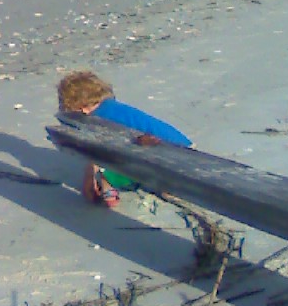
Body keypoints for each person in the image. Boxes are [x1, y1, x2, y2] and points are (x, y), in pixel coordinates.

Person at [56, 70, 192, 208]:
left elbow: (100, 152)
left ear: (79, 107)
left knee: (110, 164)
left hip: (169, 157)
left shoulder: (99, 120)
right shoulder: (111, 107)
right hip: (184, 146)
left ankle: (109, 187)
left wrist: (90, 176)